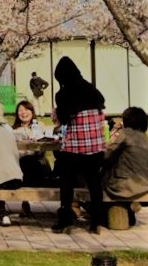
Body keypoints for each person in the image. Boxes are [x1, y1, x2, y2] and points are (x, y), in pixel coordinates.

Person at [52, 56, 106, 234]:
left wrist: (57, 114)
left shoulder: (63, 94)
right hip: (96, 146)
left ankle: (66, 219)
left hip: (76, 147)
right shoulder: (91, 89)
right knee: (94, 182)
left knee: (66, 180)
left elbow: (64, 119)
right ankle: (97, 220)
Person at [101, 107, 148, 227]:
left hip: (125, 186)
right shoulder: (144, 138)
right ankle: (129, 209)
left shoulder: (125, 134)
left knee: (99, 182)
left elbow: (106, 156)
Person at [10, 100, 53, 217]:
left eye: (26, 109)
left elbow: (47, 142)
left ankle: (26, 203)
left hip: (36, 161)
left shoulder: (39, 126)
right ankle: (25, 203)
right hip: (20, 162)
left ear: (32, 112)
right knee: (24, 162)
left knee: (31, 163)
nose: (23, 113)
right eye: (20, 110)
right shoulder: (13, 130)